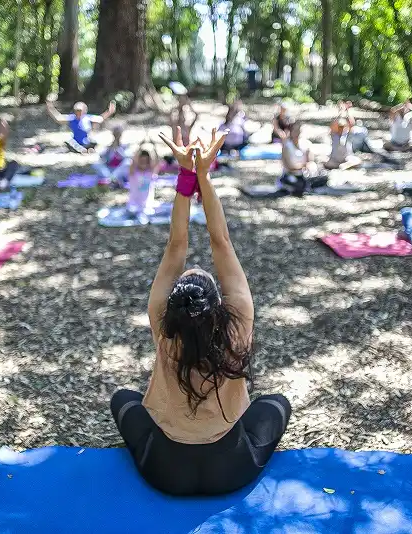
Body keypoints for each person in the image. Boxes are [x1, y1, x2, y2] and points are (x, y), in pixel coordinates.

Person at [110, 126, 291, 496]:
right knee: (277, 403)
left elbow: (177, 244)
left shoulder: (164, 323)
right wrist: (202, 175)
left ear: (175, 304)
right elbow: (219, 240)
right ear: (217, 304)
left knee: (123, 400)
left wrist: (186, 174)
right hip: (231, 469)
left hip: (165, 472)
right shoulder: (236, 322)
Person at [47, 100, 116, 154]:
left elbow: (100, 119)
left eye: (80, 110)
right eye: (77, 111)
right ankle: (82, 150)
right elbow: (58, 118)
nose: (78, 112)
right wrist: (50, 107)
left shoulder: (88, 118)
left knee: (94, 141)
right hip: (76, 142)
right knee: (70, 141)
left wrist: (109, 111)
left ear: (84, 111)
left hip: (86, 141)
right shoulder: (72, 118)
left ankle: (86, 149)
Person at [279, 122, 326, 196]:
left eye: (298, 130)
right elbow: (289, 166)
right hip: (290, 175)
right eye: (295, 130)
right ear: (291, 131)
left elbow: (310, 161)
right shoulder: (286, 146)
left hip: (303, 175)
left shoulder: (306, 144)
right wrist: (303, 165)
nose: (297, 133)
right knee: (298, 185)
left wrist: (309, 166)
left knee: (322, 179)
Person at [126, 139, 162, 218]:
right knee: (133, 213)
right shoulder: (133, 173)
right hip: (133, 205)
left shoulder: (151, 173)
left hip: (148, 205)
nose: (143, 163)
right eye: (141, 161)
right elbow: (133, 160)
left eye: (146, 161)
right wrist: (139, 147)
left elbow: (157, 162)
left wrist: (154, 147)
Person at [324, 101, 362, 170]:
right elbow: (334, 124)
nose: (342, 129)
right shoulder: (334, 135)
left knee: (357, 160)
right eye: (340, 127)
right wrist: (340, 111)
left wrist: (348, 110)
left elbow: (352, 123)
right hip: (334, 159)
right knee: (327, 163)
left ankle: (344, 165)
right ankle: (343, 166)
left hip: (347, 158)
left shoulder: (348, 134)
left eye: (343, 127)